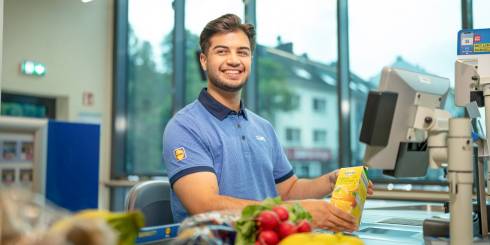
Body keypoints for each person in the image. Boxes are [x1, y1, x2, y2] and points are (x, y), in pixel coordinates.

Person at [163, 13, 373, 232]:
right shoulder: (185, 127)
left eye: (242, 52)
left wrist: (330, 182)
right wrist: (298, 212)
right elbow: (205, 206)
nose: (234, 60)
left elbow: (287, 191)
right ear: (204, 60)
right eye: (222, 51)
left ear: (250, 60)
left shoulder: (262, 127)